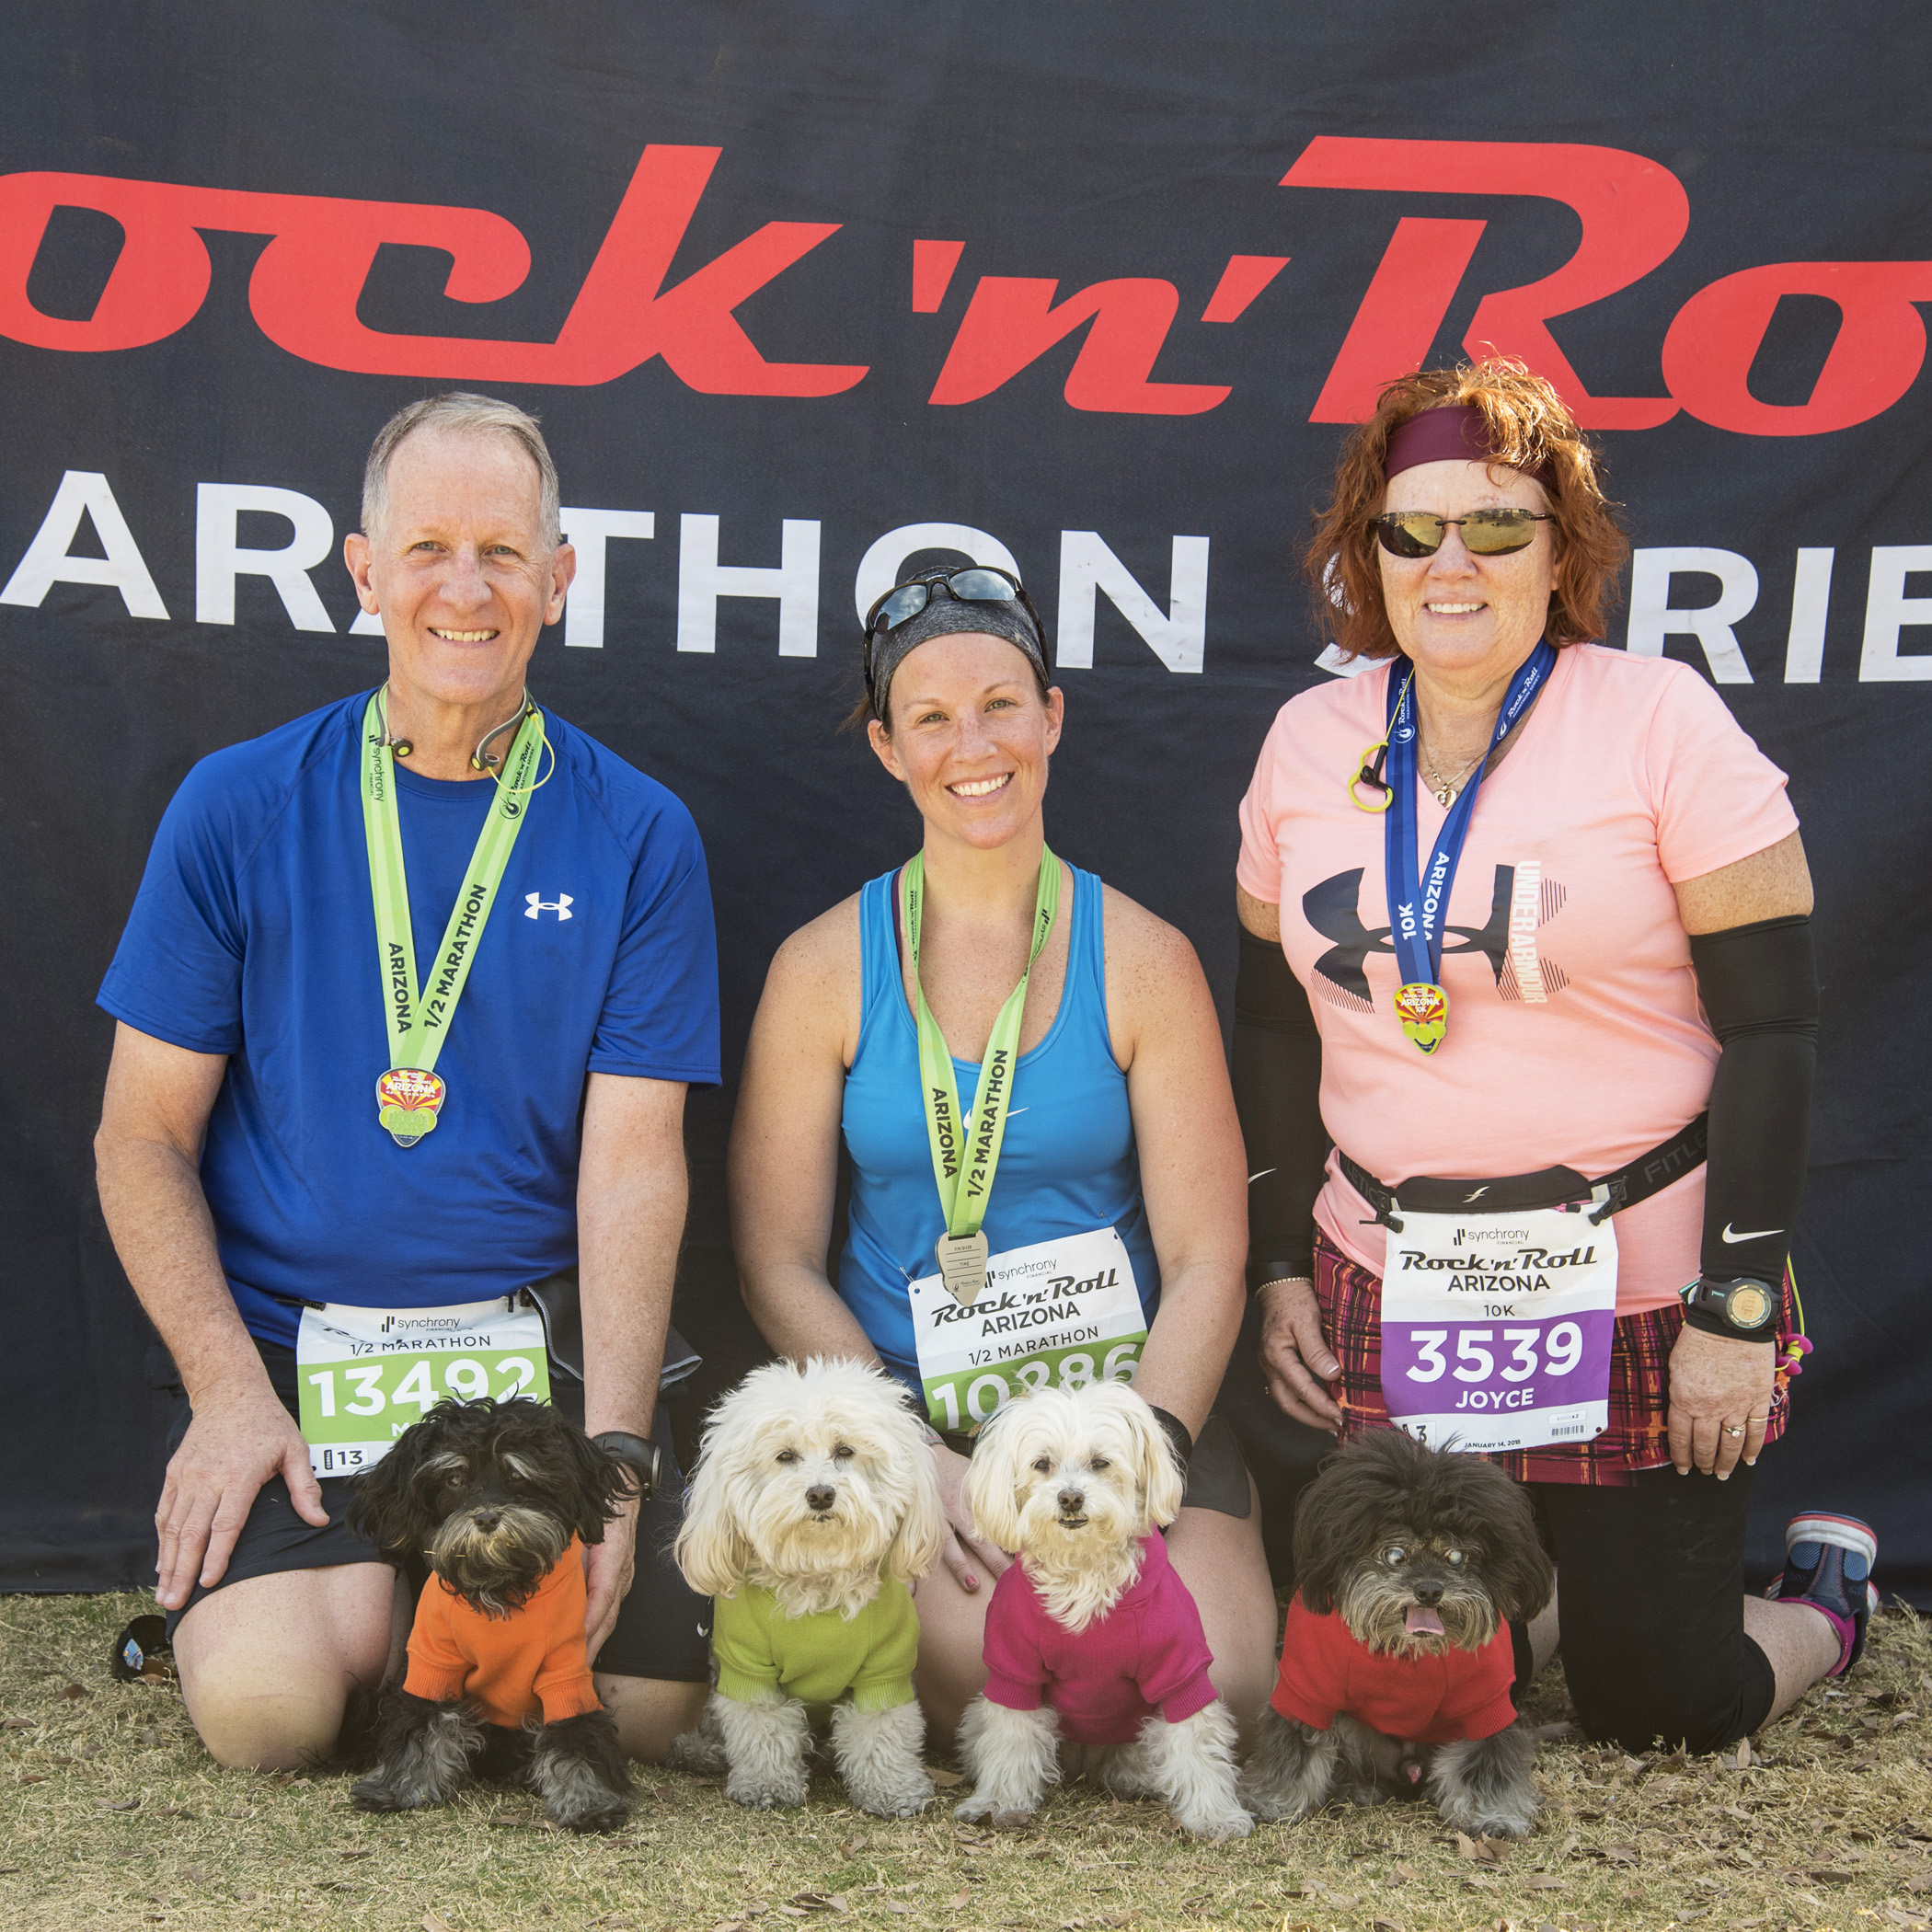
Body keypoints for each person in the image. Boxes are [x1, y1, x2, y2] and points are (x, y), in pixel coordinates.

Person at [1224, 359, 1876, 1754]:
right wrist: (1279, 1257)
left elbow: (1775, 1026)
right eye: (1414, 528)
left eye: (1498, 525)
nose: (1451, 560)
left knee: (1661, 1710)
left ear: (1561, 547)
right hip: (1394, 1280)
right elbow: (1276, 1018)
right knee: (1413, 1692)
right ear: (1370, 553)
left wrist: (1738, 1308)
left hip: (1639, 1282)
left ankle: (1825, 1599)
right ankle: (1550, 1586)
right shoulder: (1306, 745)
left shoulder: (1662, 722)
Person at [93, 393, 719, 1770]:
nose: (466, 587)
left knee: (659, 1707)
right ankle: (398, 1617)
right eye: (427, 547)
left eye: (505, 552)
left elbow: (633, 1161)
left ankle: (435, 1617)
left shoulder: (638, 833)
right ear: (364, 570)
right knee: (274, 1720)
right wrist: (226, 1395)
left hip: (530, 1353)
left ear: (559, 581)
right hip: (295, 1347)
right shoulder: (235, 804)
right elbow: (139, 1137)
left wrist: (612, 1458)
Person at [728, 567, 1278, 1743]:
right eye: (930, 717)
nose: (970, 745)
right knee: (1008, 1686)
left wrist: (1145, 1453)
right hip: (927, 1420)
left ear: (1053, 719)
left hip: (1123, 1413)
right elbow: (775, 1260)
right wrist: (907, 1448)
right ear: (888, 747)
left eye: (1000, 706)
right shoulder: (821, 969)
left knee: (1216, 1686)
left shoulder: (1146, 959)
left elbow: (1208, 1257)